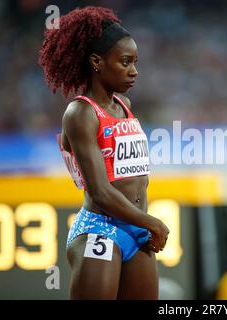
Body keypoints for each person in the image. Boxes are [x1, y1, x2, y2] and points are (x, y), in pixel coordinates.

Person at [39, 6, 169, 299]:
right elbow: (99, 191)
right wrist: (152, 221)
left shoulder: (124, 106)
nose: (134, 71)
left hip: (136, 231)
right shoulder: (81, 113)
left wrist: (143, 222)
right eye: (125, 62)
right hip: (101, 230)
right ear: (97, 62)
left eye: (135, 62)